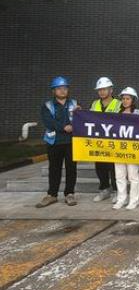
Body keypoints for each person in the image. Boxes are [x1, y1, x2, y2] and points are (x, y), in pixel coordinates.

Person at [36, 76, 79, 208]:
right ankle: (52, 195)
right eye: (59, 88)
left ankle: (69, 194)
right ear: (53, 91)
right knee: (54, 169)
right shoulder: (47, 106)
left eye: (65, 88)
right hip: (54, 141)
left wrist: (79, 114)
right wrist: (64, 127)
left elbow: (80, 120)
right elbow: (48, 122)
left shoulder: (74, 104)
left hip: (71, 142)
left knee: (71, 169)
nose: (62, 90)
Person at [90, 77, 121, 203]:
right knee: (100, 167)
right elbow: (89, 119)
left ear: (111, 90)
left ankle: (116, 191)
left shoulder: (118, 104)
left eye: (104, 89)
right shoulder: (94, 104)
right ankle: (104, 190)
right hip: (99, 142)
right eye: (100, 90)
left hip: (113, 142)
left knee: (113, 168)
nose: (102, 92)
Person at [113, 87, 139, 210]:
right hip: (118, 148)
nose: (125, 101)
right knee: (119, 176)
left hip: (132, 149)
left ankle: (134, 201)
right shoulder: (116, 113)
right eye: (123, 98)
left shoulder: (138, 113)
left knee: (133, 176)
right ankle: (121, 199)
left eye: (128, 98)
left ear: (133, 100)